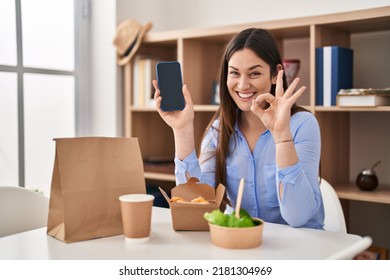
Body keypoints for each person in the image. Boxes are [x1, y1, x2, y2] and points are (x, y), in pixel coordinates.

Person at [153, 28, 324, 229]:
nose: (243, 85)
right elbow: (197, 209)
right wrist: (182, 130)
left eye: (254, 73)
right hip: (245, 245)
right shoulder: (219, 130)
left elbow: (298, 218)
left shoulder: (302, 124)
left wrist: (281, 136)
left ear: (275, 75)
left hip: (302, 248)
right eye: (234, 73)